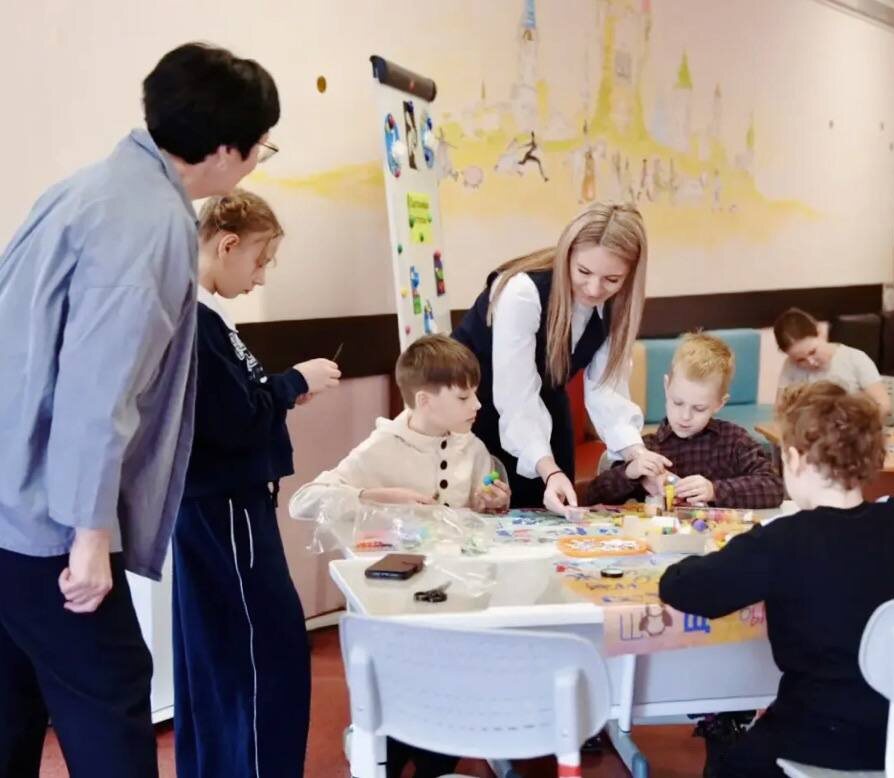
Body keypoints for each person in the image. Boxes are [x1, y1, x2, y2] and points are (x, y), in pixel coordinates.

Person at [0, 43, 278, 778]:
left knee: (14, 697)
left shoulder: (86, 188)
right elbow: (99, 389)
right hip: (44, 517)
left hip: (11, 498)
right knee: (112, 694)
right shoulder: (151, 221)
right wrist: (89, 534)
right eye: (260, 146)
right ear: (225, 151)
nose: (257, 160)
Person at [659, 382, 894, 777]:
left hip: (817, 732)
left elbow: (685, 589)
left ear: (795, 459)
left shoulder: (784, 539)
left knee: (729, 769)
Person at [173, 191, 340, 778]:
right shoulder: (196, 320)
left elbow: (231, 402)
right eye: (260, 260)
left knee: (219, 650)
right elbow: (232, 421)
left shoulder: (202, 314)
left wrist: (279, 389)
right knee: (263, 651)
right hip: (226, 507)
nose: (261, 275)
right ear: (227, 245)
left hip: (219, 505)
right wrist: (293, 382)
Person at [453, 202, 668, 511]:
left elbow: (608, 390)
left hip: (546, 400)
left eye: (612, 279)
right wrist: (547, 468)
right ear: (567, 254)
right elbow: (516, 396)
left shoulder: (618, 306)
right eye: (583, 272)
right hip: (473, 406)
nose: (594, 289)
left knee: (556, 513)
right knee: (494, 511)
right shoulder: (523, 291)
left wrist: (637, 454)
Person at [289, 334, 511, 520]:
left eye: (475, 393)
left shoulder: (473, 448)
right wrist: (376, 497)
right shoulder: (382, 447)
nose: (477, 404)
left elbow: (482, 517)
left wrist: (491, 505)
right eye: (463, 397)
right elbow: (302, 502)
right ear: (424, 401)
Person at [586, 332, 783, 508]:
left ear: (719, 403)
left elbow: (773, 487)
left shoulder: (734, 441)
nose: (685, 416)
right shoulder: (648, 448)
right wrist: (630, 472)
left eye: (699, 408)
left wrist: (714, 490)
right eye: (678, 403)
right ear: (666, 387)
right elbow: (592, 496)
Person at [772, 307, 890, 418]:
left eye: (813, 352)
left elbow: (884, 406)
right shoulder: (790, 365)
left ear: (821, 333)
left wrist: (856, 425)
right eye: (800, 360)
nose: (811, 362)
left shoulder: (855, 358)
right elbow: (780, 410)